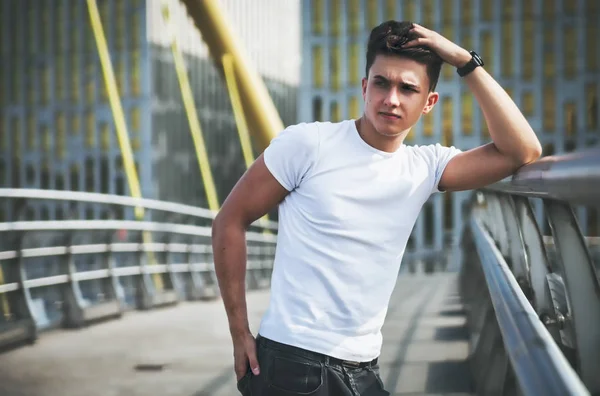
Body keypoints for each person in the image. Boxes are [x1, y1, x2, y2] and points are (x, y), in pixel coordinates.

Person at [212, 20, 541, 395]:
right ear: (365, 87)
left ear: (429, 102)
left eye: (408, 88)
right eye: (382, 83)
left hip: (364, 368)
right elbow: (230, 221)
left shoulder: (424, 167)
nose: (392, 99)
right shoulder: (308, 144)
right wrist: (239, 332)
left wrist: (465, 61)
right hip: (293, 362)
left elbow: (522, 151)